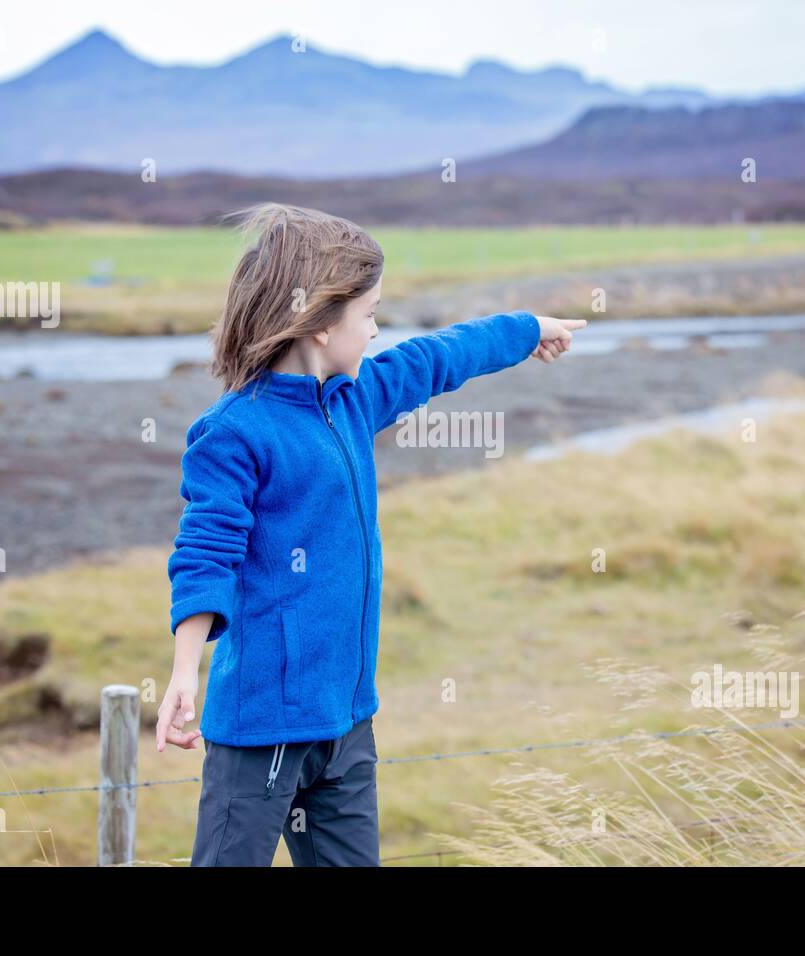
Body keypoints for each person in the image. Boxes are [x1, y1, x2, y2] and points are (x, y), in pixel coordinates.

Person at [155, 202, 585, 866]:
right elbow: (206, 551)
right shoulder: (234, 432)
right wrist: (186, 671)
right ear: (322, 324)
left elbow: (440, 357)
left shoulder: (354, 398)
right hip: (264, 726)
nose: (377, 329)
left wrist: (528, 329)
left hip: (347, 718)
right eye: (370, 314)